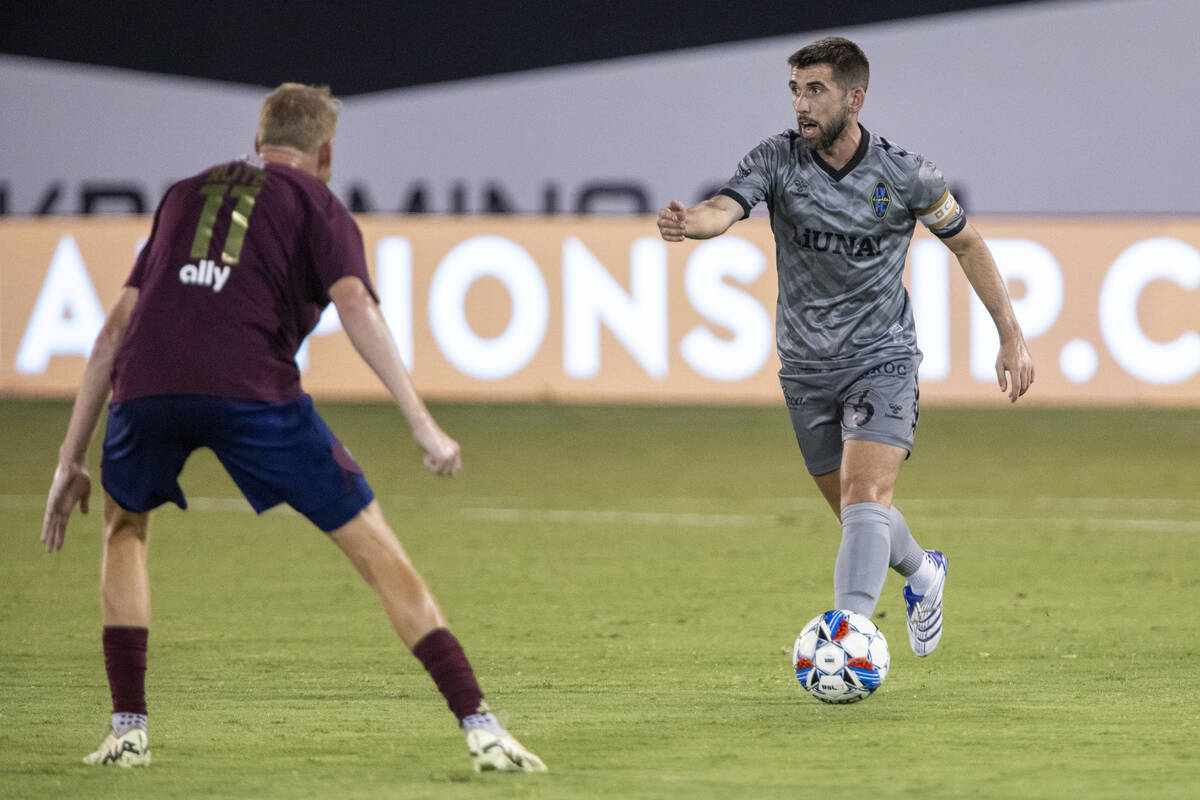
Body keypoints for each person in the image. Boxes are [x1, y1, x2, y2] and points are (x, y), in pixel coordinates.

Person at [40, 83, 546, 773]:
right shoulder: (318, 202)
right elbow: (355, 305)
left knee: (125, 527)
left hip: (147, 384)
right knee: (374, 547)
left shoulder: (182, 193)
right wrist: (423, 424)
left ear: (259, 140)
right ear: (326, 151)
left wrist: (69, 457)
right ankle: (481, 726)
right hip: (253, 390)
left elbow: (112, 332)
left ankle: (127, 732)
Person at [657, 37, 1033, 658]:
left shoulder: (905, 174)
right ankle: (924, 572)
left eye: (816, 90)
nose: (802, 104)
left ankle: (847, 636)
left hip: (880, 358)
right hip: (805, 370)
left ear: (854, 98)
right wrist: (693, 223)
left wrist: (1010, 334)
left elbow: (966, 244)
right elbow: (726, 207)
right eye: (796, 90)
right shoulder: (775, 160)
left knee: (865, 500)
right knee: (862, 518)